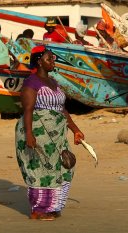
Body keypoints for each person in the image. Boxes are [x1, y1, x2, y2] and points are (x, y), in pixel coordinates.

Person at [15, 45, 85, 220]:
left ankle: (53, 206)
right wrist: (30, 135)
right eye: (49, 58)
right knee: (41, 168)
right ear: (39, 61)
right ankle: (39, 210)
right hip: (38, 132)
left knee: (65, 165)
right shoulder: (31, 82)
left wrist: (75, 129)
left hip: (57, 133)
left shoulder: (53, 81)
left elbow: (61, 109)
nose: (53, 61)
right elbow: (28, 110)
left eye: (53, 58)